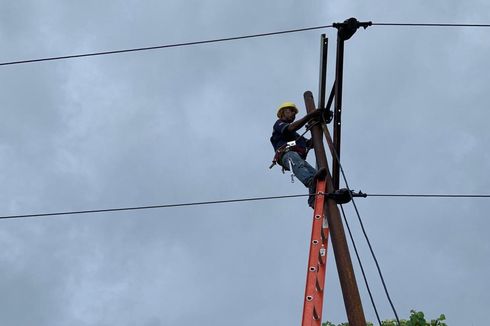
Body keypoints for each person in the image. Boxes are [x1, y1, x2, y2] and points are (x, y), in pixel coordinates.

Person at [270, 102, 326, 207]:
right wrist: (310, 115)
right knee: (298, 163)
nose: (293, 114)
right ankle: (309, 181)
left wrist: (316, 127)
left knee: (316, 174)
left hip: (297, 157)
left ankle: (313, 199)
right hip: (286, 155)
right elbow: (291, 128)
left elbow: (311, 143)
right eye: (290, 111)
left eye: (294, 113)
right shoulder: (279, 124)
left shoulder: (296, 136)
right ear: (282, 112)